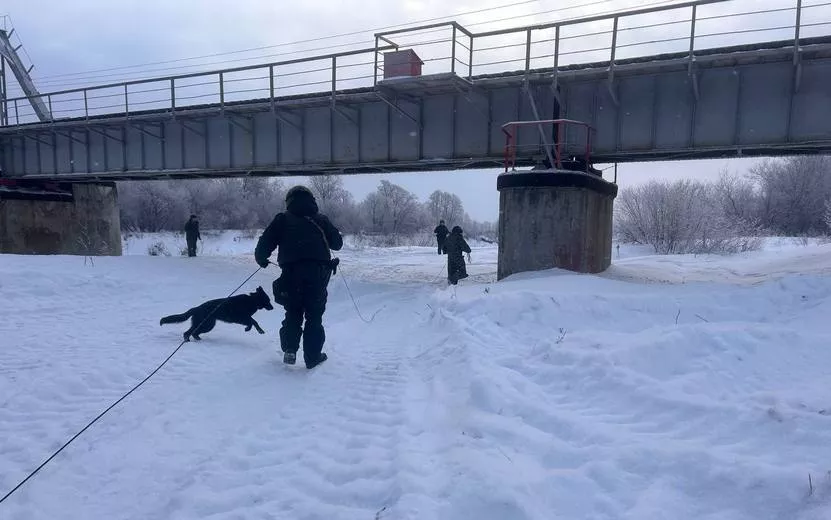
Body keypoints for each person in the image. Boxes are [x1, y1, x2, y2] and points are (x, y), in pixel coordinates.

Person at [254, 185, 343, 369]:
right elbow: (337, 244)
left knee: (293, 312)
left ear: (289, 201)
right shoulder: (321, 220)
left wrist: (261, 259)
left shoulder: (282, 219)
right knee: (314, 316)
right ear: (312, 200)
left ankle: (289, 350)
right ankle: (313, 357)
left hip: (290, 274)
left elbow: (264, 244)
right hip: (318, 275)